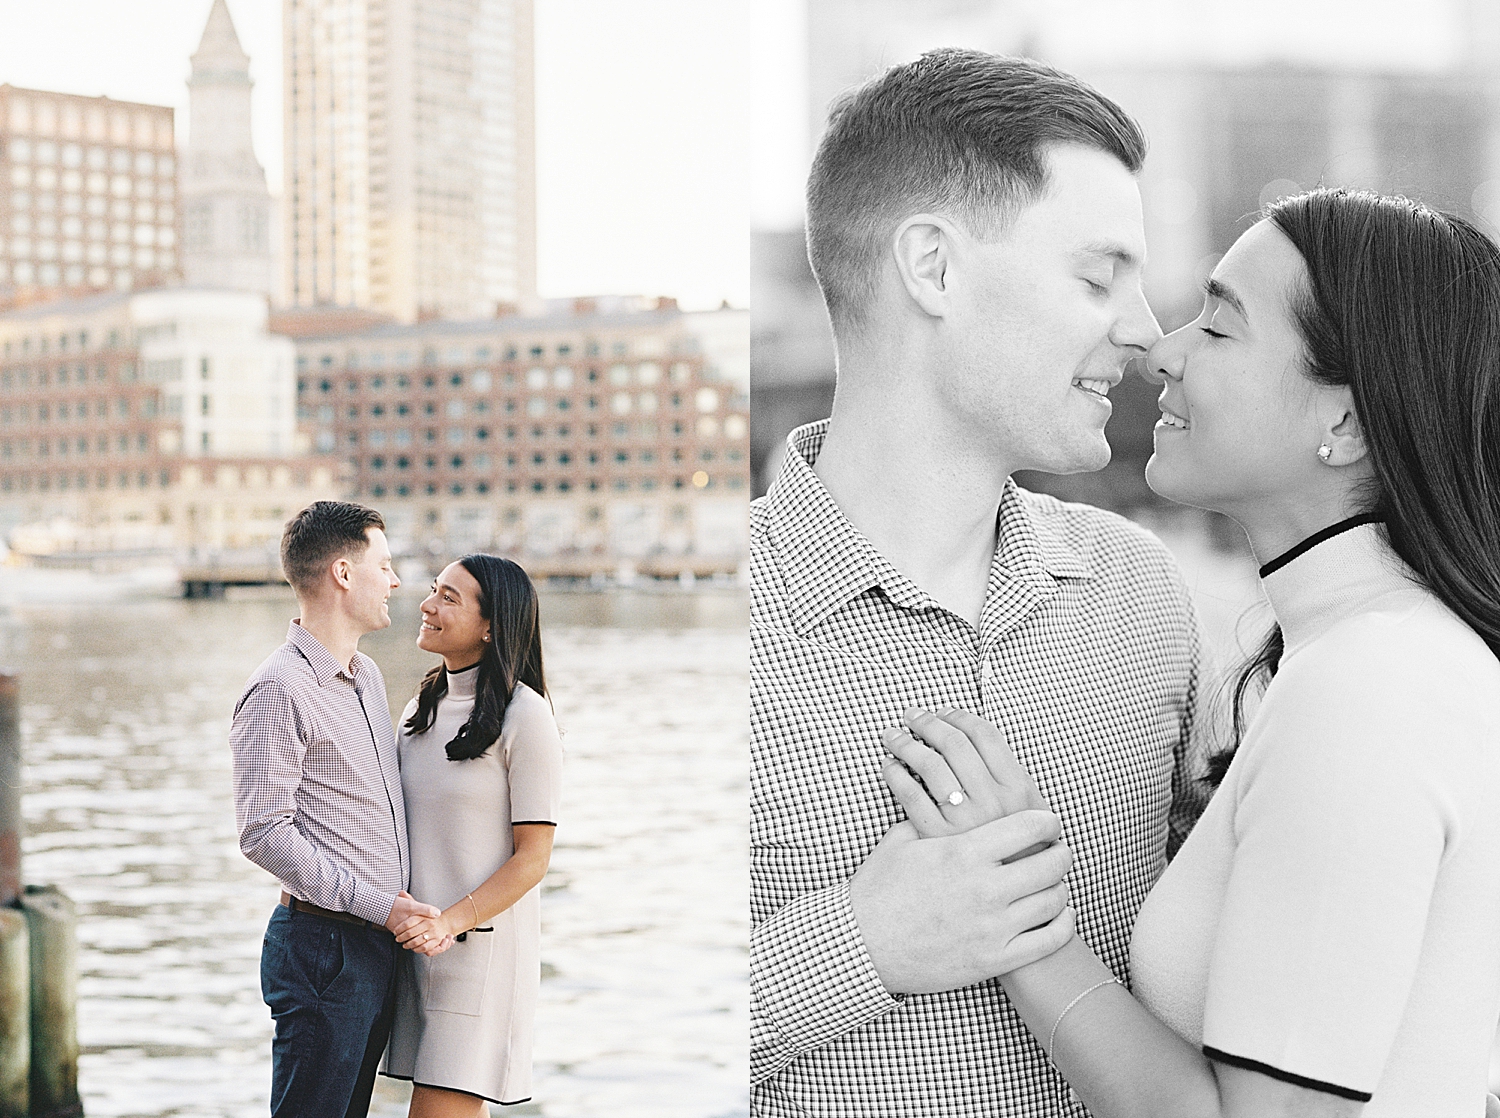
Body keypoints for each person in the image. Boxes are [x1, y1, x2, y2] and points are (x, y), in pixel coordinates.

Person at [885, 188, 1500, 1116]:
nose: (1159, 350)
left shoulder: (1373, 685)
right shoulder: (1361, 654)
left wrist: (1017, 910)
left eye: (1218, 326)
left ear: (1344, 424)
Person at [750, 49, 1210, 1116]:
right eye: (1099, 276)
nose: (1144, 329)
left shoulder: (1141, 596)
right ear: (935, 268)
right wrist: (859, 944)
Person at [230, 500, 449, 1117]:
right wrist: (382, 905)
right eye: (385, 564)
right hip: (325, 947)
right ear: (344, 574)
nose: (398, 580)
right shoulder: (278, 687)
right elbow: (263, 833)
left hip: (371, 948)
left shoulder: (369, 677)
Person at [380, 554, 563, 1116]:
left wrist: (450, 922)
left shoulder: (525, 717)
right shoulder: (420, 708)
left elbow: (533, 858)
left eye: (449, 598)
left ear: (491, 625)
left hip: (476, 955)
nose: (426, 605)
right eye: (434, 590)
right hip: (414, 952)